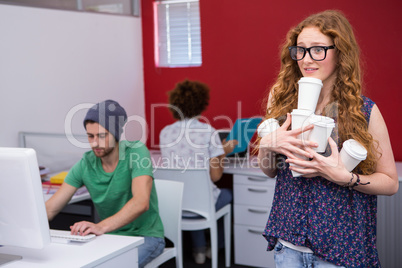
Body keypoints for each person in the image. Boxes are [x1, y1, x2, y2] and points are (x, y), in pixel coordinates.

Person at [257, 10, 398, 267]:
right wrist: (267, 144)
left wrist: (345, 178)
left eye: (318, 49)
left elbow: (390, 183)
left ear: (340, 52)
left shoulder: (364, 110)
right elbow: (269, 171)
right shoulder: (280, 101)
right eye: (300, 50)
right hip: (289, 243)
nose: (306, 59)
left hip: (341, 249)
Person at [46, 100, 165, 268]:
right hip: (109, 238)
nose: (95, 143)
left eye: (102, 135)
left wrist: (100, 227)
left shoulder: (136, 151)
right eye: (90, 136)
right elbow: (50, 208)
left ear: (116, 134)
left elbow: (141, 202)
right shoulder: (86, 163)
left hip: (145, 237)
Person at [159, 79, 238, 264]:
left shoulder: (165, 133)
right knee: (224, 195)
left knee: (193, 195)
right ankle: (215, 247)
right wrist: (222, 152)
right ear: (201, 104)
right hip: (201, 205)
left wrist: (219, 150)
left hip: (175, 205)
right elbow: (216, 176)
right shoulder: (208, 132)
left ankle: (199, 250)